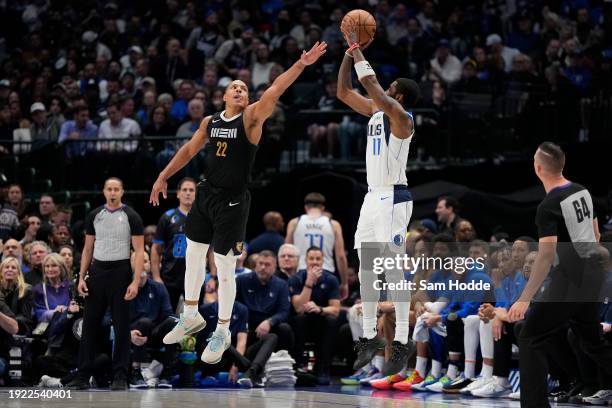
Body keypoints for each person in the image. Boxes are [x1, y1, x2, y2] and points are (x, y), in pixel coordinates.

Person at [149, 41, 328, 365]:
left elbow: (274, 89)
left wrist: (301, 64)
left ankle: (223, 330)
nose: (239, 90)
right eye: (234, 87)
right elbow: (189, 151)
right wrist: (163, 175)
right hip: (206, 194)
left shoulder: (251, 119)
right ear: (223, 95)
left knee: (226, 267)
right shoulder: (209, 123)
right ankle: (190, 314)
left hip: (233, 201)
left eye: (244, 88)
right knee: (192, 254)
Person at [337, 23, 420, 375]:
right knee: (367, 268)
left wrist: (357, 48)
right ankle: (370, 336)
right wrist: (346, 54)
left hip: (394, 198)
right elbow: (343, 91)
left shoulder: (402, 118)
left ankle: (401, 339)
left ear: (398, 96)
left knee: (394, 270)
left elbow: (371, 86)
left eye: (390, 88)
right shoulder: (375, 113)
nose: (384, 89)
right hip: (372, 198)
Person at [507, 142, 612, 407]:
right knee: (592, 341)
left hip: (570, 279)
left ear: (538, 167)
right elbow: (596, 235)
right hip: (593, 275)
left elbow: (544, 255)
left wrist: (524, 298)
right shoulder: (582, 191)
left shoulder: (548, 206)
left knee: (530, 335)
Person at [67, 177, 144, 390]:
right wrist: (81, 277)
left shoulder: (131, 216)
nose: (112, 192)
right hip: (97, 272)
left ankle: (120, 376)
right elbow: (87, 249)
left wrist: (135, 281)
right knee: (89, 326)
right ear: (103, 191)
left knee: (121, 327)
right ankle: (82, 376)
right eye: (109, 189)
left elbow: (139, 252)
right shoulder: (94, 215)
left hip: (120, 273)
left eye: (116, 189)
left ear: (122, 192)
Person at [289, 247, 340, 384]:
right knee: (299, 319)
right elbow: (299, 308)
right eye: (311, 258)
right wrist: (309, 282)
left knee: (332, 321)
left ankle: (323, 368)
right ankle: (298, 366)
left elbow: (335, 309)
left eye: (318, 259)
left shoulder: (331, 279)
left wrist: (320, 309)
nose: (315, 262)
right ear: (305, 260)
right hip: (303, 321)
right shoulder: (296, 278)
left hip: (321, 320)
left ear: (323, 261)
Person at [286, 192, 349, 298]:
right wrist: (344, 283)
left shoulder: (294, 222)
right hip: (326, 272)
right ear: (322, 208)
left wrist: (290, 277)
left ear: (306, 207)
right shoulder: (333, 224)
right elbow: (341, 256)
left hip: (302, 272)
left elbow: (287, 251)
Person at [151, 177, 196, 310]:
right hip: (170, 277)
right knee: (167, 318)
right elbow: (155, 248)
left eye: (191, 190)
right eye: (184, 190)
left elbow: (211, 249)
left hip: (195, 278)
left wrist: (213, 276)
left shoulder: (203, 218)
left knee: (195, 321)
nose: (188, 193)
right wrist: (156, 277)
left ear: (196, 194)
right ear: (178, 193)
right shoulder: (167, 217)